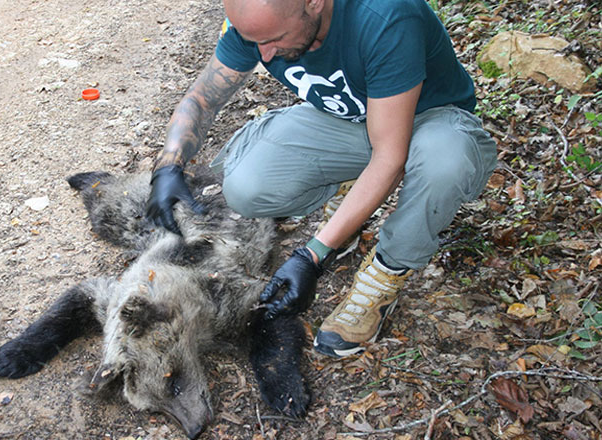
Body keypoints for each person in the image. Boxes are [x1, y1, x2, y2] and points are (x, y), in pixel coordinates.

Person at [146, 0, 497, 358]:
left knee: (445, 162)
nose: (265, 56)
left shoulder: (385, 17)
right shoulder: (255, 22)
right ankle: (350, 200)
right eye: (255, 43)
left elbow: (390, 155)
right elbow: (202, 99)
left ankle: (386, 273)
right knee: (246, 186)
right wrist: (168, 165)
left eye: (275, 39)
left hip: (429, 121)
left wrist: (312, 255)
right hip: (348, 120)